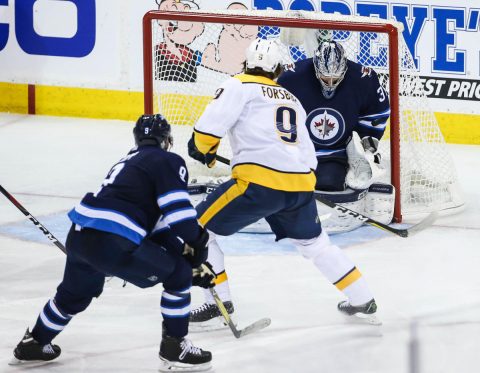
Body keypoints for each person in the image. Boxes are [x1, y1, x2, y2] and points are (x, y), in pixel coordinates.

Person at [187, 38, 380, 331]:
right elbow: (306, 151)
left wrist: (204, 149)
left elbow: (207, 129)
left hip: (258, 184)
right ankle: (362, 298)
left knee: (197, 230)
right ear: (277, 68)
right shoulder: (290, 98)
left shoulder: (238, 84)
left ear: (246, 63)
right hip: (301, 185)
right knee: (316, 245)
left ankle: (218, 302)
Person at [10, 114, 215, 372]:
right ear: (167, 140)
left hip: (81, 234)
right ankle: (175, 349)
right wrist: (198, 252)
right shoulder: (168, 160)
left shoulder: (127, 161)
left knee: (73, 295)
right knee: (179, 274)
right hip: (114, 238)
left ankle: (35, 343)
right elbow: (181, 219)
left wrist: (186, 254)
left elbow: (157, 228)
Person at [278, 39, 394, 231]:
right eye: (325, 79)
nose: (330, 83)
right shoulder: (291, 76)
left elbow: (376, 113)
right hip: (296, 150)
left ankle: (352, 161)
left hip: (334, 151)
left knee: (328, 183)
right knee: (280, 181)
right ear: (315, 70)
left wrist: (368, 141)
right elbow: (269, 109)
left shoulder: (364, 77)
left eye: (335, 78)